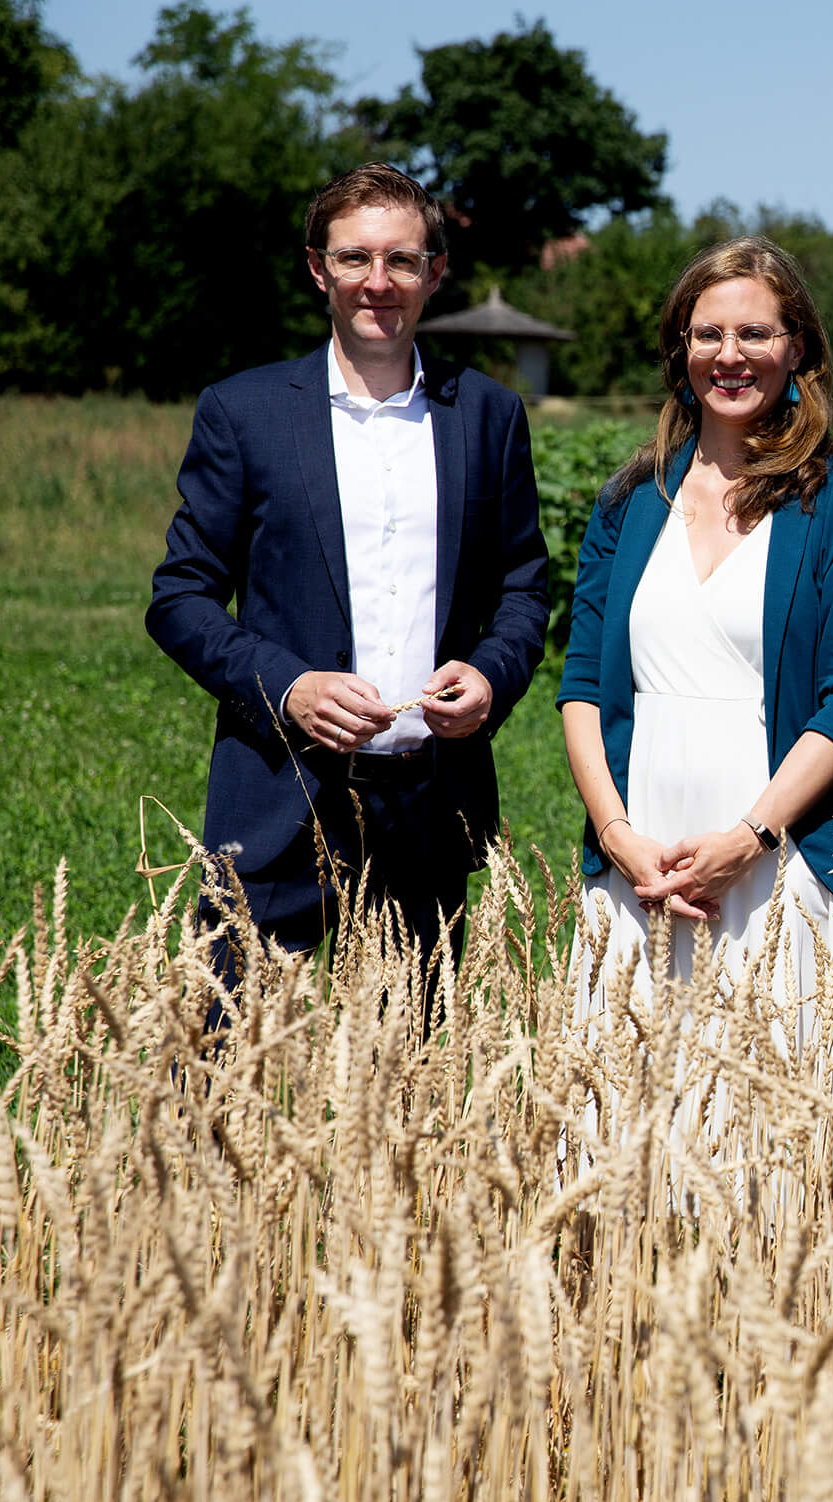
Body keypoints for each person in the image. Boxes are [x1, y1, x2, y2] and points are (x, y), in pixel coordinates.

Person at [147, 162, 549, 965]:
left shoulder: (489, 415)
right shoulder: (245, 411)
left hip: (432, 803)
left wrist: (492, 675)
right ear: (317, 268)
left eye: (402, 260)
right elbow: (180, 597)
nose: (379, 281)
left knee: (413, 1078)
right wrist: (289, 686)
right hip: (279, 792)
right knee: (218, 1066)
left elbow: (523, 588)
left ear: (435, 274)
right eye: (354, 258)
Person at [558, 236, 833, 1054]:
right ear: (682, 347)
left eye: (755, 334)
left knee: (778, 1128)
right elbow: (580, 686)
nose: (729, 355)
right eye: (708, 334)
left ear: (797, 346)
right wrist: (618, 837)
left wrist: (748, 839)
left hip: (778, 857)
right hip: (641, 860)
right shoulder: (633, 500)